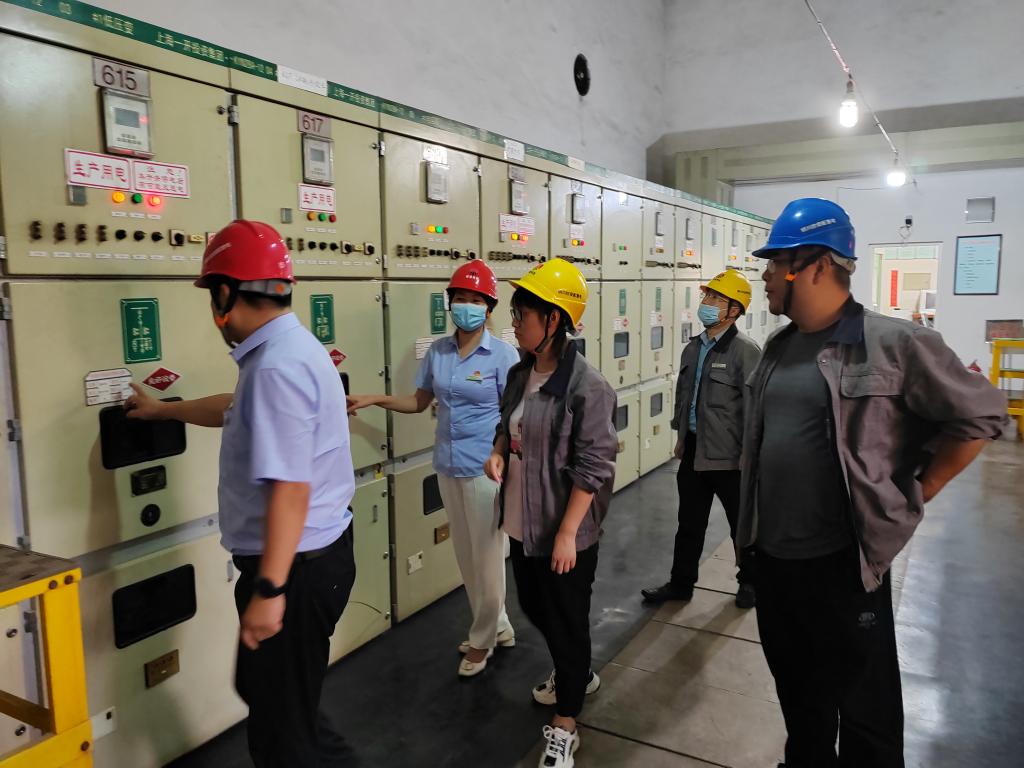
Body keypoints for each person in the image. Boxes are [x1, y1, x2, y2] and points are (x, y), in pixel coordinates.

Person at [737, 198, 1007, 768]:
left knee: (867, 713)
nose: (765, 275)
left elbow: (981, 415)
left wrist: (920, 491)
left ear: (815, 265)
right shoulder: (778, 348)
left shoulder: (895, 343)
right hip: (775, 563)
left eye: (776, 262)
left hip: (844, 566)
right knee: (799, 699)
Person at [125, 220, 357, 766]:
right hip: (311, 559)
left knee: (283, 739)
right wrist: (163, 411)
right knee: (273, 699)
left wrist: (270, 590)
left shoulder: (275, 368)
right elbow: (232, 408)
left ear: (226, 293)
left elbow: (290, 489)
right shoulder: (287, 352)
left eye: (213, 294)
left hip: (295, 569)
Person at [347, 260, 520, 677]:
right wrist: (374, 399)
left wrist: (504, 457)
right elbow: (419, 402)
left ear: (489, 307)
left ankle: (481, 642)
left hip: (485, 469)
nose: (467, 306)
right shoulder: (439, 352)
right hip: (446, 464)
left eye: (475, 299)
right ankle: (497, 626)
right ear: (450, 303)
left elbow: (513, 414)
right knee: (466, 556)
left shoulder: (503, 355)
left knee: (488, 559)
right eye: (460, 298)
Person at [484, 258, 617, 768]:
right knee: (536, 608)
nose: (514, 323)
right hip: (523, 521)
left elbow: (595, 464)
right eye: (515, 314)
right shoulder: (520, 373)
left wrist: (567, 532)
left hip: (565, 531)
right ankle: (575, 672)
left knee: (567, 621)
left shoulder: (587, 386)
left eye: (522, 315)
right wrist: (499, 452)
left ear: (554, 320)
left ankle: (566, 722)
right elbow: (508, 425)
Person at [641, 269, 761, 609]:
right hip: (695, 449)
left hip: (731, 457)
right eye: (707, 296)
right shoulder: (693, 348)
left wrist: (750, 455)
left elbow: (756, 409)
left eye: (715, 298)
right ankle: (681, 584)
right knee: (689, 523)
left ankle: (750, 582)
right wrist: (681, 437)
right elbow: (685, 397)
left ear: (734, 310)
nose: (707, 302)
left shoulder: (745, 351)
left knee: (742, 525)